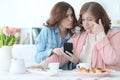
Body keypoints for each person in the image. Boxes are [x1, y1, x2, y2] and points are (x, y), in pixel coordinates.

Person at [30, 2, 120, 70]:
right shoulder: (79, 36)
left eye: (89, 19)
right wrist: (42, 66)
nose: (86, 24)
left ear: (100, 19)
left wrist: (101, 34)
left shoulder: (114, 34)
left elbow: (111, 60)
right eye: (83, 20)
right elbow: (62, 54)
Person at [34, 1, 77, 69]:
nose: (71, 19)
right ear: (58, 17)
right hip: (46, 72)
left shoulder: (74, 35)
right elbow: (37, 58)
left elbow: (72, 65)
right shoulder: (47, 31)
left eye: (72, 15)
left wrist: (75, 62)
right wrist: (51, 51)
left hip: (65, 75)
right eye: (66, 16)